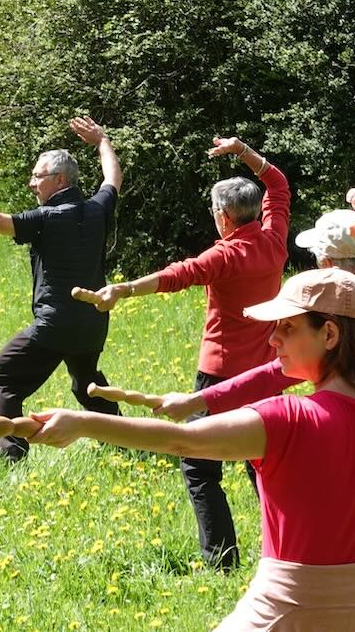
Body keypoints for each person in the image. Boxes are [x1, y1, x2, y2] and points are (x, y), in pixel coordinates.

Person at [31, 215, 355, 631]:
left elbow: (180, 441)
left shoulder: (287, 419)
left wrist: (83, 423)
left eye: (287, 328)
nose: (273, 340)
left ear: (329, 334)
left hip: (290, 608)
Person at [74, 136, 290, 569]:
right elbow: (279, 187)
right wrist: (244, 151)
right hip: (266, 372)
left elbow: (177, 275)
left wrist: (123, 289)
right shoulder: (274, 240)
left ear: (224, 218)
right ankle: (285, 550)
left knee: (199, 465)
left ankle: (221, 560)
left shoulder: (226, 255)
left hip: (220, 376)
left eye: (214, 212)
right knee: (262, 463)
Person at [154, 204, 355, 535]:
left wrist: (198, 401)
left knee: (343, 552)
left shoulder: (340, 320)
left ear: (326, 265)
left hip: (352, 456)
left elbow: (271, 375)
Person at [0, 116, 124, 462]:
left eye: (37, 176)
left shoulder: (47, 219)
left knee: (1, 378)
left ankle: (12, 453)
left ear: (59, 180)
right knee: (87, 385)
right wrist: (102, 141)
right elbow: (113, 178)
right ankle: (126, 439)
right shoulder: (96, 209)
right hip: (92, 324)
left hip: (55, 326)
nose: (32, 184)